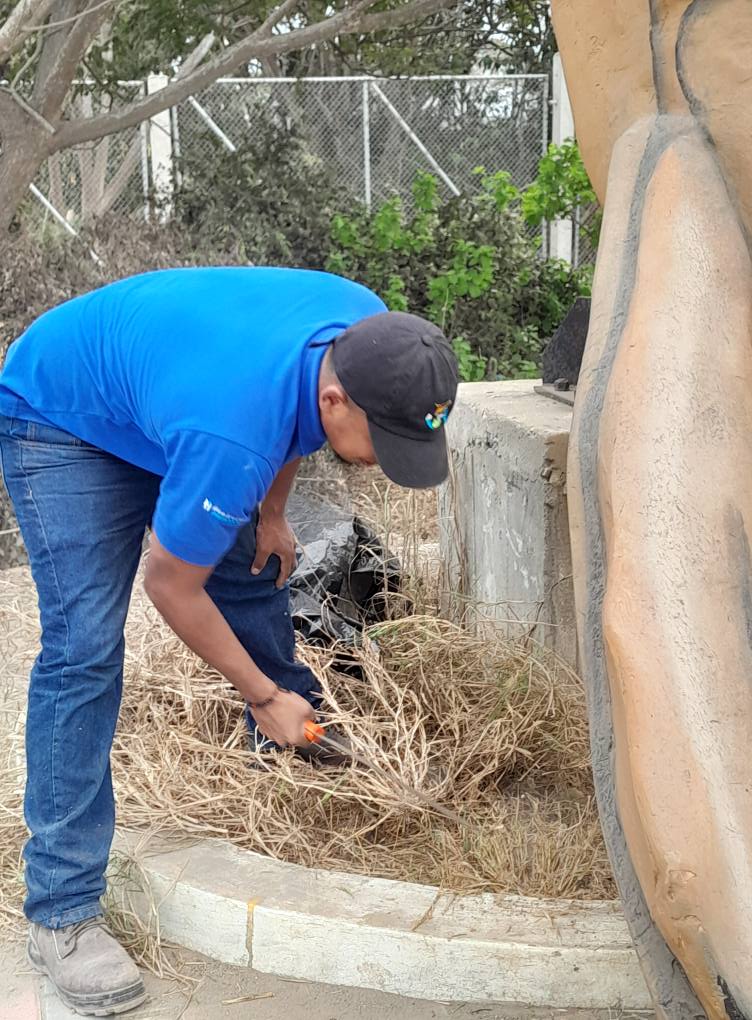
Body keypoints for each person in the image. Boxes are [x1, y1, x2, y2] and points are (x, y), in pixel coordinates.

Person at [0, 266, 458, 1016]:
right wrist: (261, 691)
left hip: (180, 400)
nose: (386, 460)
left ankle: (293, 742)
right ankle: (62, 911)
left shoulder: (367, 334)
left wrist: (272, 512)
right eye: (385, 441)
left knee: (250, 561)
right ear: (338, 399)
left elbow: (291, 417)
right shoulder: (231, 432)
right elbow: (170, 585)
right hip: (62, 416)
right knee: (84, 650)